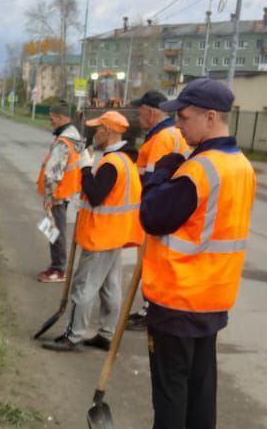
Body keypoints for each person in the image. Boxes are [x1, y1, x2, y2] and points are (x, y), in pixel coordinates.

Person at [111, 78, 256, 429]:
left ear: (212, 118)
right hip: (214, 293)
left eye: (186, 116)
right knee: (200, 380)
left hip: (179, 292)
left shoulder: (199, 169)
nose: (180, 124)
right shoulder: (241, 166)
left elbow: (154, 218)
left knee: (171, 382)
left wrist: (159, 176)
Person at [41, 109, 141, 353]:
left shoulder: (112, 164)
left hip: (101, 236)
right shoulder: (126, 161)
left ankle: (72, 336)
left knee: (83, 287)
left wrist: (86, 169)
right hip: (115, 234)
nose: (95, 133)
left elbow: (96, 196)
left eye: (98, 129)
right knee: (110, 287)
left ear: (108, 132)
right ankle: (106, 334)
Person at [126, 90, 189, 328]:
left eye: (140, 110)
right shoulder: (167, 135)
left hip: (155, 211)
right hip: (166, 209)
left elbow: (153, 179)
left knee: (152, 262)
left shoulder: (162, 138)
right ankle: (149, 307)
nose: (137, 114)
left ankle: (150, 308)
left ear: (152, 112)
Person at [35, 101, 87, 282]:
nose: (51, 121)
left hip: (57, 195)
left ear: (61, 117)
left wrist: (48, 197)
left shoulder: (63, 142)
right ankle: (57, 265)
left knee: (55, 232)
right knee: (53, 231)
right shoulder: (73, 139)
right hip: (64, 193)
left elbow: (53, 173)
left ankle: (58, 269)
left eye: (53, 118)